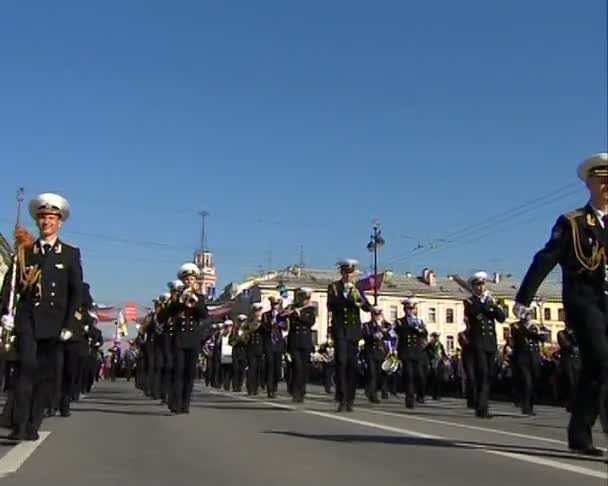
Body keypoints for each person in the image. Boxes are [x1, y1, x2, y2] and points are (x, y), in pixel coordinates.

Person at [513, 152, 608, 456]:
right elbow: (546, 258)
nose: (607, 186)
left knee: (596, 368)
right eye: (602, 181)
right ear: (590, 184)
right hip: (585, 303)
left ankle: (579, 432)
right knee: (602, 358)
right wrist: (524, 297)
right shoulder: (573, 222)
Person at [0, 193, 83, 441]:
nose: (46, 223)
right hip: (28, 319)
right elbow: (11, 285)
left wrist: (71, 325)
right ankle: (20, 423)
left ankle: (34, 422)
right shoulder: (26, 251)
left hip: (55, 324)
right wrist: (6, 312)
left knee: (45, 376)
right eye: (43, 218)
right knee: (25, 370)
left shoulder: (69, 254)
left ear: (59, 223)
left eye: (51, 218)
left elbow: (75, 292)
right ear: (38, 222)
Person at [327, 259, 371, 412]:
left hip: (353, 331)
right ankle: (341, 398)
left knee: (352, 366)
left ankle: (350, 399)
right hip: (340, 329)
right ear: (342, 272)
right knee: (341, 364)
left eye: (351, 273)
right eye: (346, 273)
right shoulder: (334, 287)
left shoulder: (358, 288)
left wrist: (360, 301)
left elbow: (367, 307)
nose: (349, 276)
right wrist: (345, 296)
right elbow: (331, 306)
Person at [463, 271, 506, 418]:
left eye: (482, 285)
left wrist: (492, 305)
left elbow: (501, 318)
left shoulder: (490, 302)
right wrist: (485, 304)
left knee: (489, 376)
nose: (480, 288)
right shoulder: (469, 302)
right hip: (478, 343)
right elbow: (474, 314)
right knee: (482, 373)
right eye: (477, 285)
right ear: (473, 287)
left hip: (491, 343)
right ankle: (482, 408)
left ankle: (482, 405)